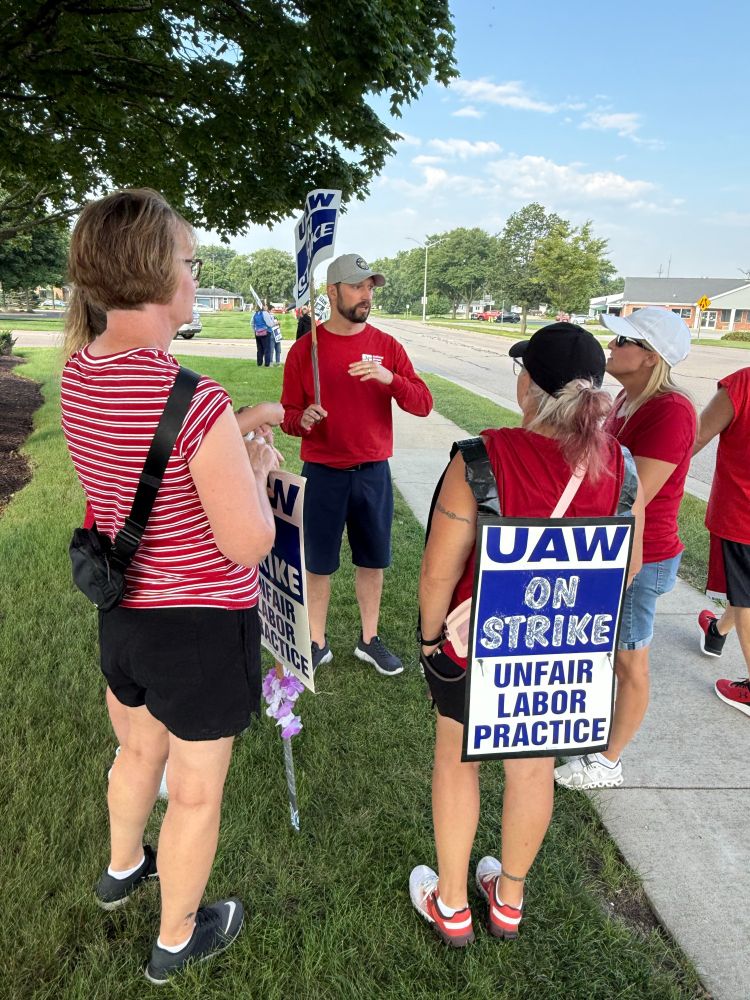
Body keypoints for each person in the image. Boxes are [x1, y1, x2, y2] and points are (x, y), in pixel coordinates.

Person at [60, 188, 280, 984]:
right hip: (198, 628)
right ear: (156, 273)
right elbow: (249, 541)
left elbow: (128, 472)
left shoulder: (80, 373)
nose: (195, 278)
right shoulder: (193, 399)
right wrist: (254, 466)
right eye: (190, 264)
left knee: (134, 753)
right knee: (191, 793)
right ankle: (178, 936)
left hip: (124, 621)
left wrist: (233, 440)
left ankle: (122, 870)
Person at [410, 323, 644, 945]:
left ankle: (453, 903)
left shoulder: (482, 458)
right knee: (533, 767)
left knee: (458, 759)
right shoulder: (620, 466)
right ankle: (508, 898)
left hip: (473, 644)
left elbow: (438, 574)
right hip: (562, 649)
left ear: (529, 385)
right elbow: (630, 566)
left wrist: (432, 640)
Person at [555, 307, 694, 791]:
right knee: (611, 655)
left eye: (622, 343)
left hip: (642, 554)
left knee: (631, 660)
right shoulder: (622, 399)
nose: (610, 348)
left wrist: (627, 563)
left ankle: (609, 761)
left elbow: (636, 497)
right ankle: (593, 739)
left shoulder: (671, 411)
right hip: (611, 550)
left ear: (651, 356)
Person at [281, 253, 433, 674]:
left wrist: (391, 380)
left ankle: (369, 639)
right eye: (358, 286)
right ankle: (316, 640)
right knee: (318, 563)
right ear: (332, 292)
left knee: (372, 560)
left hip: (372, 473)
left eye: (370, 287)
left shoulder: (387, 347)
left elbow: (423, 404)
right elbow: (289, 414)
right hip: (323, 474)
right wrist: (302, 419)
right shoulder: (304, 350)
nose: (367, 295)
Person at [694, 367, 750, 717]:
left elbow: (695, 438)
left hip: (742, 512)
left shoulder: (742, 384)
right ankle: (717, 630)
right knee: (741, 587)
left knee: (745, 595)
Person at [253, 303, 274, 367]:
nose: (266, 306)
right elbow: (270, 324)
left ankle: (259, 363)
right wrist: (274, 322)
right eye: (265, 305)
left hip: (257, 333)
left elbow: (252, 323)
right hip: (266, 333)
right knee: (267, 349)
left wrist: (255, 330)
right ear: (263, 306)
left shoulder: (255, 313)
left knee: (259, 349)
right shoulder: (265, 313)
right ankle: (267, 364)